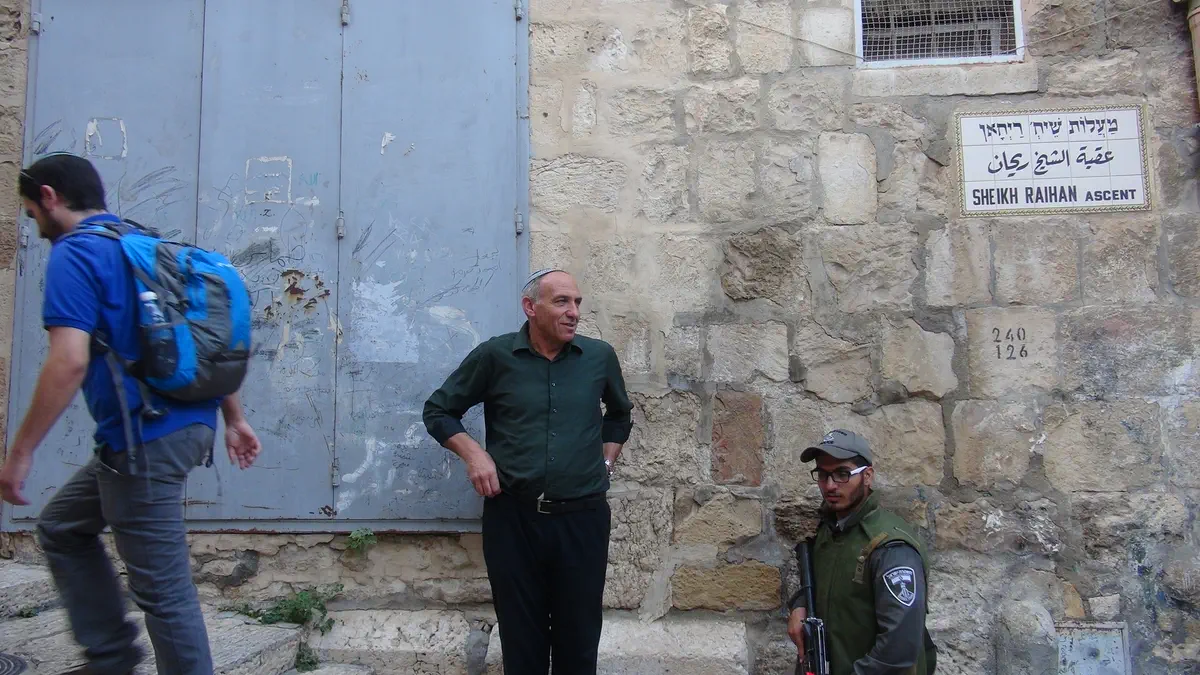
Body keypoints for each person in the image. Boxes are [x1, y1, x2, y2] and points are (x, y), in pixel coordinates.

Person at [0, 153, 262, 675]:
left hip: (146, 438)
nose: (33, 224)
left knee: (164, 591)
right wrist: (233, 417)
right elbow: (201, 338)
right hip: (181, 426)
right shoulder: (138, 242)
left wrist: (21, 451)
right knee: (62, 527)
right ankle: (111, 658)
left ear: (49, 196)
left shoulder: (76, 252)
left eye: (30, 212)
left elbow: (69, 361)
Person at [423, 268, 633, 674]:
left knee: (579, 639)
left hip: (582, 520)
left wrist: (605, 462)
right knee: (521, 640)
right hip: (513, 519)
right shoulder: (495, 356)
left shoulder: (599, 357)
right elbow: (439, 410)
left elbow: (619, 415)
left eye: (577, 303)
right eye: (562, 302)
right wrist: (474, 455)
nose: (574, 312)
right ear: (530, 307)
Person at [787, 429, 938, 675]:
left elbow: (898, 650)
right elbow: (821, 583)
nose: (830, 485)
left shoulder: (891, 548)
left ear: (867, 476)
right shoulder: (830, 530)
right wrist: (799, 605)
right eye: (823, 475)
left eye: (842, 474)